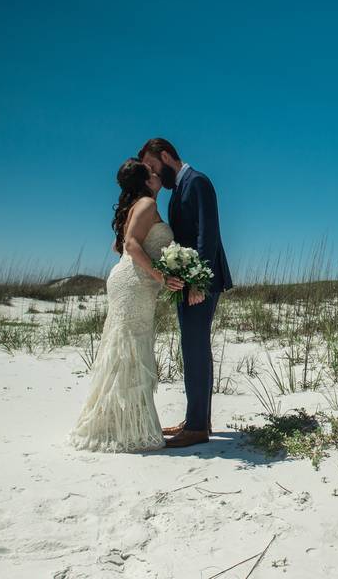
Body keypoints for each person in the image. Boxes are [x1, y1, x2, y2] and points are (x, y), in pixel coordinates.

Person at [67, 158, 173, 452]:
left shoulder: (139, 206)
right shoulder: (146, 206)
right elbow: (129, 245)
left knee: (127, 348)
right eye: (152, 172)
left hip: (130, 280)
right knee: (129, 349)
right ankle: (120, 429)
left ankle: (121, 422)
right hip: (134, 282)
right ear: (145, 180)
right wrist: (159, 275)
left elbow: (119, 244)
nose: (157, 174)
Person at [139, 138, 233, 448]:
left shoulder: (198, 182)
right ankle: (198, 419)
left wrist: (199, 283)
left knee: (194, 347)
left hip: (202, 282)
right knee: (192, 346)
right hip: (187, 283)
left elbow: (209, 234)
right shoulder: (176, 191)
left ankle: (196, 428)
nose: (152, 173)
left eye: (153, 166)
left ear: (166, 156)